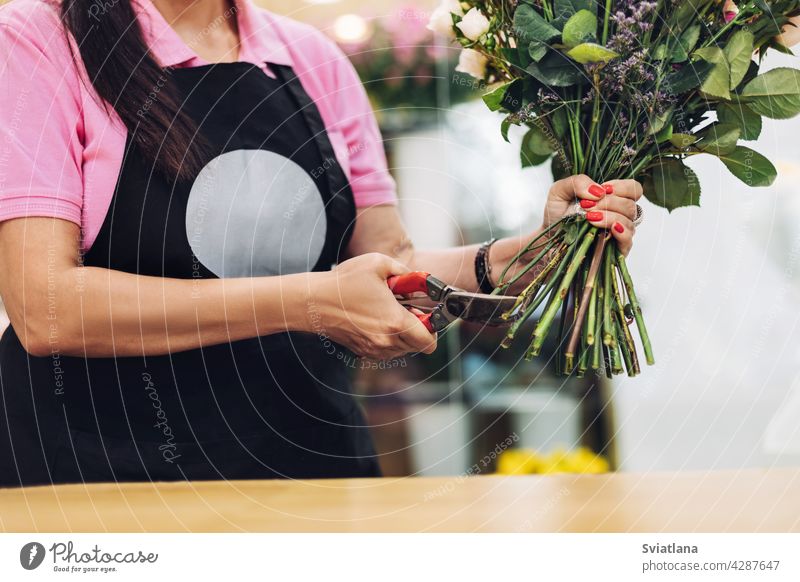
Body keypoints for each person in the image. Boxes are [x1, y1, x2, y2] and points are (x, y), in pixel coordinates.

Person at [0, 0, 641, 487]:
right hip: (97, 471)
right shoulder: (37, 40)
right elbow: (45, 306)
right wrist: (311, 302)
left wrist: (521, 256)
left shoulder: (308, 57)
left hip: (307, 456)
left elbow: (395, 264)